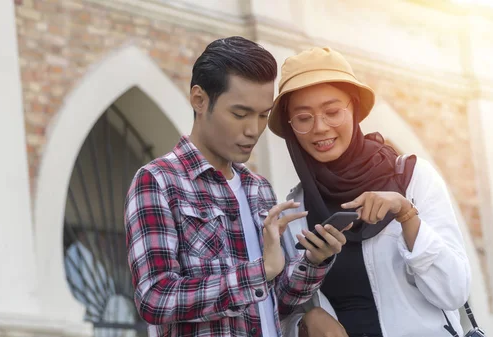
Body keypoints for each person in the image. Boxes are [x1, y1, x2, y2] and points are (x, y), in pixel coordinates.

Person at [124, 37, 348, 337]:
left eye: (263, 115)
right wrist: (258, 272)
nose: (253, 130)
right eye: (240, 114)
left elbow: (275, 301)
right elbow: (155, 298)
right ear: (199, 100)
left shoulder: (259, 189)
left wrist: (314, 260)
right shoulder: (158, 181)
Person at [268, 47, 471, 337]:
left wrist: (406, 214)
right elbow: (282, 312)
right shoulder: (295, 212)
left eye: (332, 111)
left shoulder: (413, 178)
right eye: (303, 118)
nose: (320, 128)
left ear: (353, 109)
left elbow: (454, 292)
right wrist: (305, 321)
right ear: (291, 128)